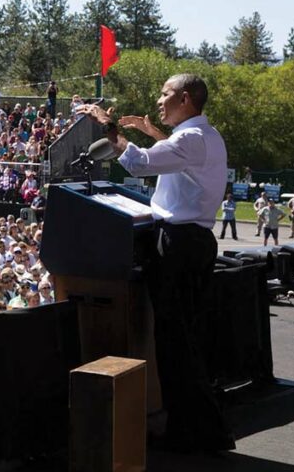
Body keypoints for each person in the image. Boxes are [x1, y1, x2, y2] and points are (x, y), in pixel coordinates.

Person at [79, 73, 235, 452]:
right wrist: (153, 132)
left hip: (178, 246)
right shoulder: (204, 136)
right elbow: (181, 164)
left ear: (184, 98)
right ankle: (198, 429)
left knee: (176, 344)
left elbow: (140, 165)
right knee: (183, 340)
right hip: (192, 244)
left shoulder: (192, 138)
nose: (159, 100)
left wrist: (108, 126)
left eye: (165, 94)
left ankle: (194, 435)